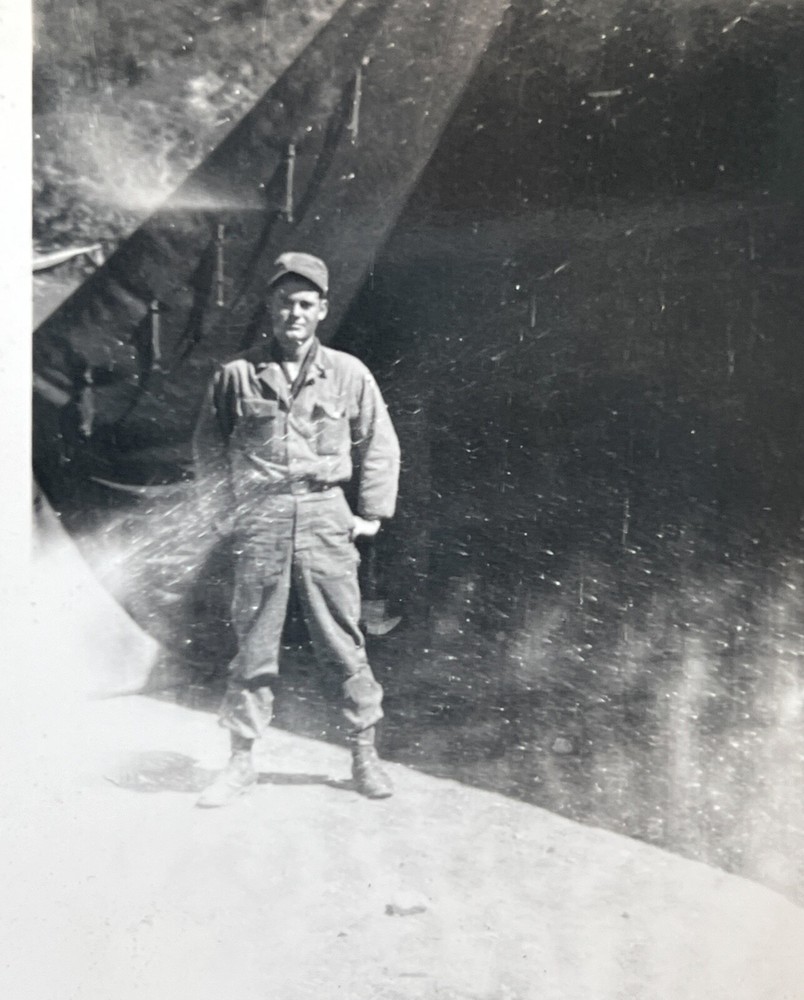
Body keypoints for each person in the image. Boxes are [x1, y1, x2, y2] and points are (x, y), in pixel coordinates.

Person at [192, 251, 401, 807]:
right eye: (285, 301)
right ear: (270, 306)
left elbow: (379, 442)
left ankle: (363, 753)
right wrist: (222, 512)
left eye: (305, 303)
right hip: (261, 520)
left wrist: (372, 514)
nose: (294, 313)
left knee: (343, 640)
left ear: (322, 310)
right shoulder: (236, 376)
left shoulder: (349, 373)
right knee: (253, 645)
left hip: (324, 517)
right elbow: (208, 448)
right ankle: (240, 763)